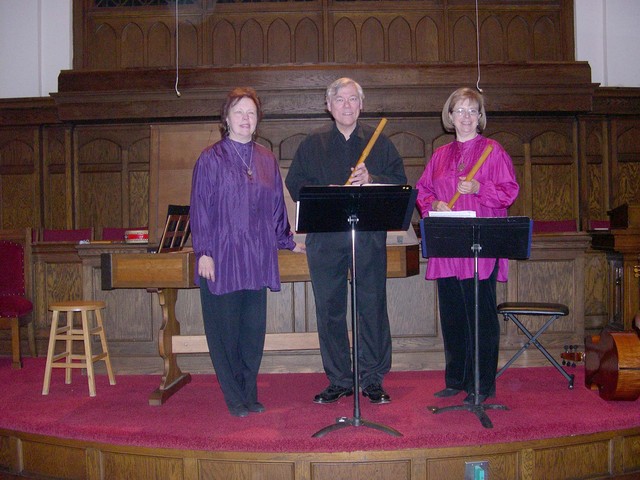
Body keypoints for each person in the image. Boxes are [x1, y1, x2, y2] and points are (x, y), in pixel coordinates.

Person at [285, 77, 406, 405]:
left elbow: (399, 182)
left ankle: (372, 378)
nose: (347, 105)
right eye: (340, 99)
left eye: (353, 99)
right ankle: (339, 378)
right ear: (329, 105)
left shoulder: (379, 142)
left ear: (361, 104)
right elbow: (295, 182)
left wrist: (372, 179)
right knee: (330, 309)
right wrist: (328, 195)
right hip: (326, 239)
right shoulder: (312, 143)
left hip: (367, 238)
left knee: (372, 306)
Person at [190, 87, 304, 418]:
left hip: (256, 256)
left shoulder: (267, 159)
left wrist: (287, 240)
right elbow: (200, 209)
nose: (245, 118)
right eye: (239, 112)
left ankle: (249, 393)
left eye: (251, 113)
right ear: (226, 119)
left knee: (252, 331)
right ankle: (234, 397)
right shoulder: (210, 158)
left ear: (257, 121)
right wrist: (204, 252)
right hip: (222, 256)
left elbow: (276, 210)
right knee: (225, 331)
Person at [415, 87, 519, 405]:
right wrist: (436, 205)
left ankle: (482, 383)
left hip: (479, 246)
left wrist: (479, 187)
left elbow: (509, 191)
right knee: (453, 315)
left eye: (472, 111)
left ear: (480, 117)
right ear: (450, 116)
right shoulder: (439, 155)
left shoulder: (494, 150)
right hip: (449, 246)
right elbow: (423, 191)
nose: (465, 117)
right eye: (459, 110)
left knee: (481, 317)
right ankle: (457, 379)